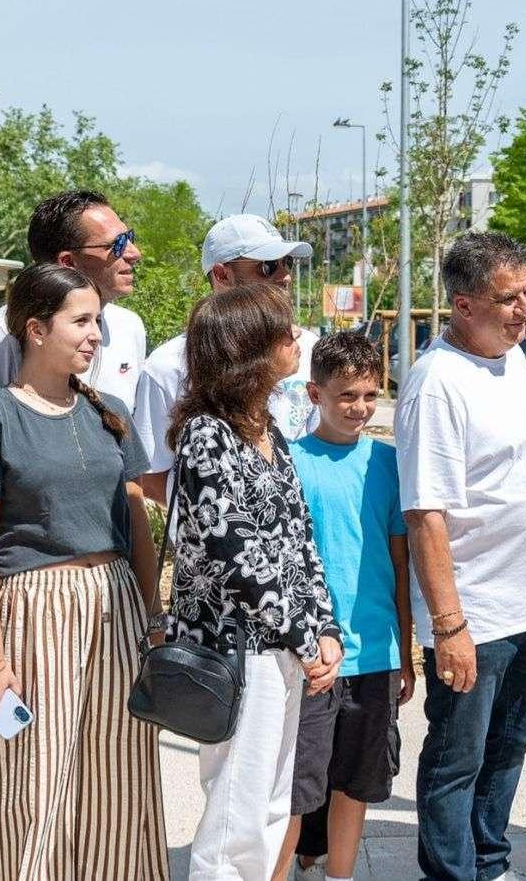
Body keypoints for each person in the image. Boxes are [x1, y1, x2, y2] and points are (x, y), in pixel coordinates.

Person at [0, 263, 168, 879]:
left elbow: (137, 526)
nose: (95, 334)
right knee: (37, 781)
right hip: (36, 607)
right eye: (81, 321)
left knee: (120, 776)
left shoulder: (111, 412)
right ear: (36, 329)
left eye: (96, 320)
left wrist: (154, 617)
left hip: (117, 605)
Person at [395, 231, 526, 881]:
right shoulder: (437, 383)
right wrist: (448, 627)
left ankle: (488, 862)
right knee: (457, 759)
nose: (523, 309)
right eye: (507, 298)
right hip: (476, 617)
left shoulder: (511, 361)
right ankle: (450, 872)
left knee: (508, 747)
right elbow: (424, 514)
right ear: (462, 305)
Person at [167, 283, 343, 880]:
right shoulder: (206, 436)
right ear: (247, 348)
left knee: (270, 805)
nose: (295, 339)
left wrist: (324, 629)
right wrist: (301, 635)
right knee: (234, 812)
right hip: (238, 650)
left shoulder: (271, 434)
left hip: (286, 648)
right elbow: (234, 553)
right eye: (282, 331)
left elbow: (300, 545)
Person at [279, 332, 415, 881]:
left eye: (369, 394)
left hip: (375, 650)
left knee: (356, 781)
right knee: (295, 783)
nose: (360, 407)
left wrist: (405, 653)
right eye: (345, 396)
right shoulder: (287, 462)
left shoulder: (389, 463)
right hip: (308, 655)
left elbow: (401, 566)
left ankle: (341, 873)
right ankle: (289, 866)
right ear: (315, 393)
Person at [0, 189, 147, 481]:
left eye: (130, 238)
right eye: (117, 244)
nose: (134, 253)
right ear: (68, 262)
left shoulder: (130, 328)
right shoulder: (2, 334)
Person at [132, 214, 318, 507]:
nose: (285, 276)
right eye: (267, 266)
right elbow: (153, 478)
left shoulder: (306, 349)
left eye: (287, 263)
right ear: (221, 275)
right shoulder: (168, 367)